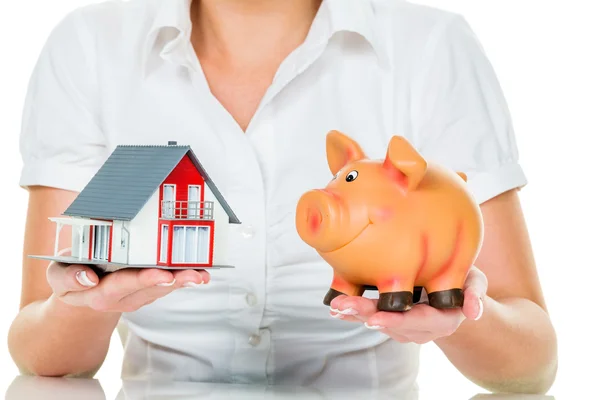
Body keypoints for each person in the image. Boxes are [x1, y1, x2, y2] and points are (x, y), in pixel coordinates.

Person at [8, 0, 557, 393]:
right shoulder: (88, 44)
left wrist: (460, 312)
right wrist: (87, 301)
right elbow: (40, 355)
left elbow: (533, 365)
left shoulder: (432, 45)